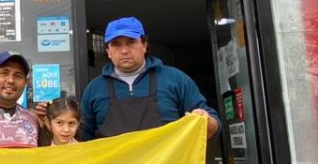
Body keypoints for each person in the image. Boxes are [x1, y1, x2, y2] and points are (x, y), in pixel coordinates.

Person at [78, 17, 220, 141]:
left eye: (131, 42)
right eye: (116, 44)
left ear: (144, 46)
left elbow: (212, 126)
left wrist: (206, 120)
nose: (124, 50)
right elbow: (82, 137)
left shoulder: (175, 79)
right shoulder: (94, 89)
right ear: (108, 52)